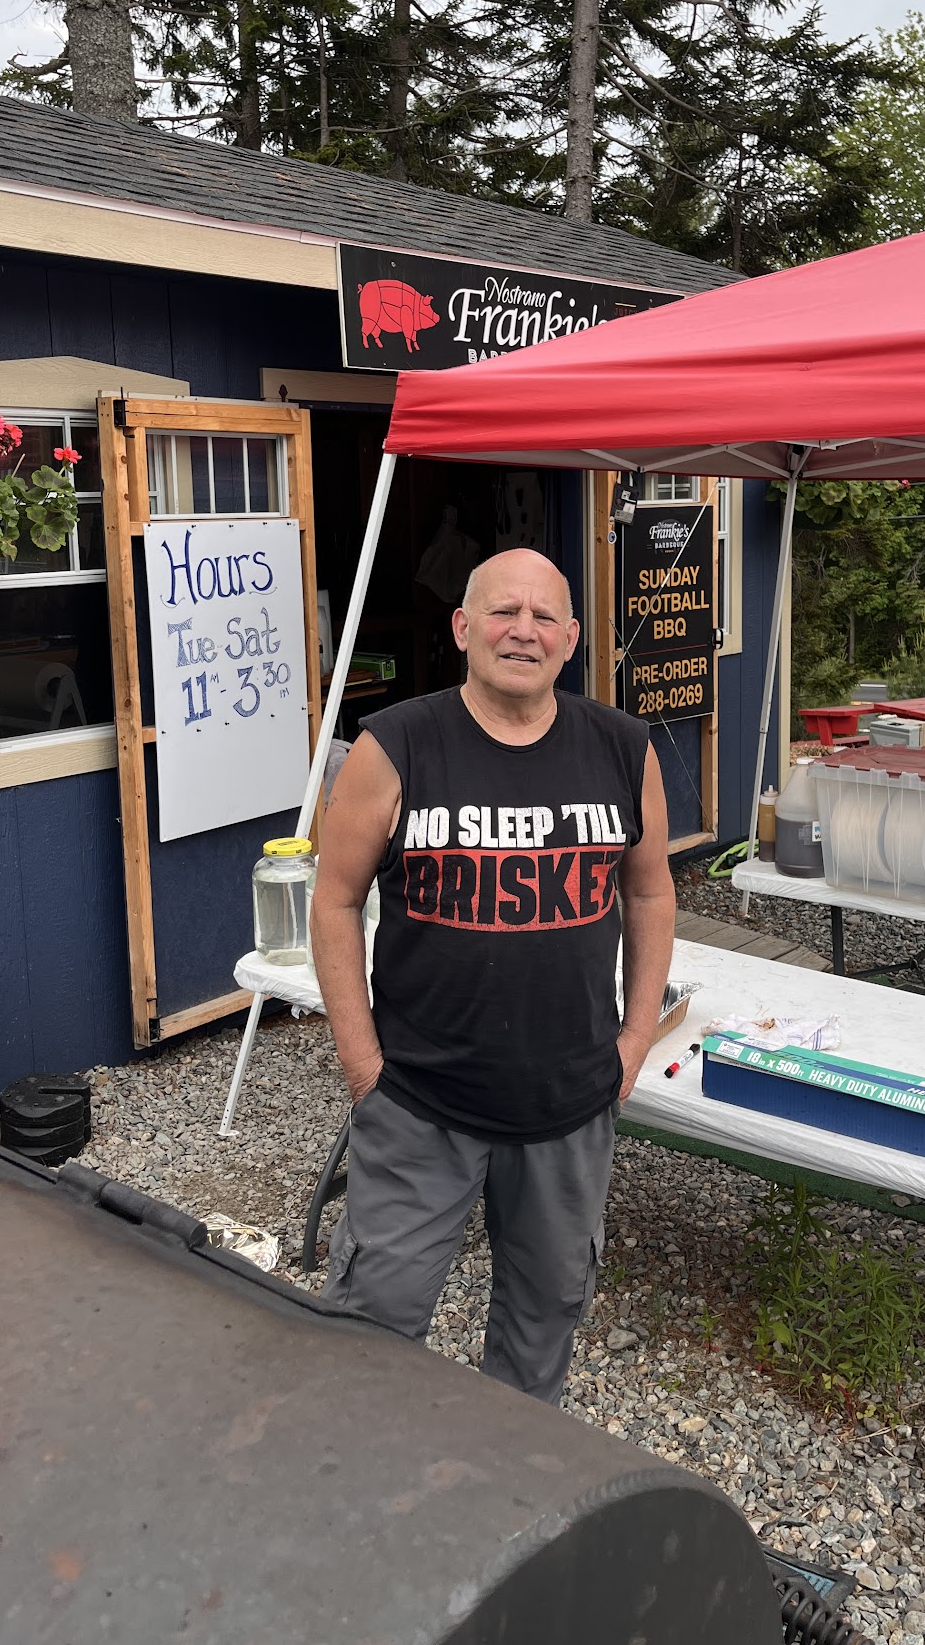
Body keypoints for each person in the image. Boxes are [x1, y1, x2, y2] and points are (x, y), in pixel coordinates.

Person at [311, 547, 675, 1403]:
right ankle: (359, 1472)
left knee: (542, 1326)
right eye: (504, 612)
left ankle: (511, 1475)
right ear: (463, 627)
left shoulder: (623, 748)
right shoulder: (396, 745)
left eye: (544, 616)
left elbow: (651, 891)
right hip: (419, 1102)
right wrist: (362, 1066)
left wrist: (635, 1038)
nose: (524, 631)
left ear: (571, 638)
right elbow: (334, 901)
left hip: (569, 1105)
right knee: (374, 1326)